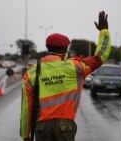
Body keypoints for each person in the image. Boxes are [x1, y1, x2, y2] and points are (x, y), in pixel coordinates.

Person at [20, 11, 111, 141]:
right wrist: (104, 32)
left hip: (42, 128)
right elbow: (101, 56)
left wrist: (25, 134)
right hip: (65, 127)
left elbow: (26, 107)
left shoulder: (31, 72)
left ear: (47, 48)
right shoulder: (76, 67)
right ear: (65, 50)